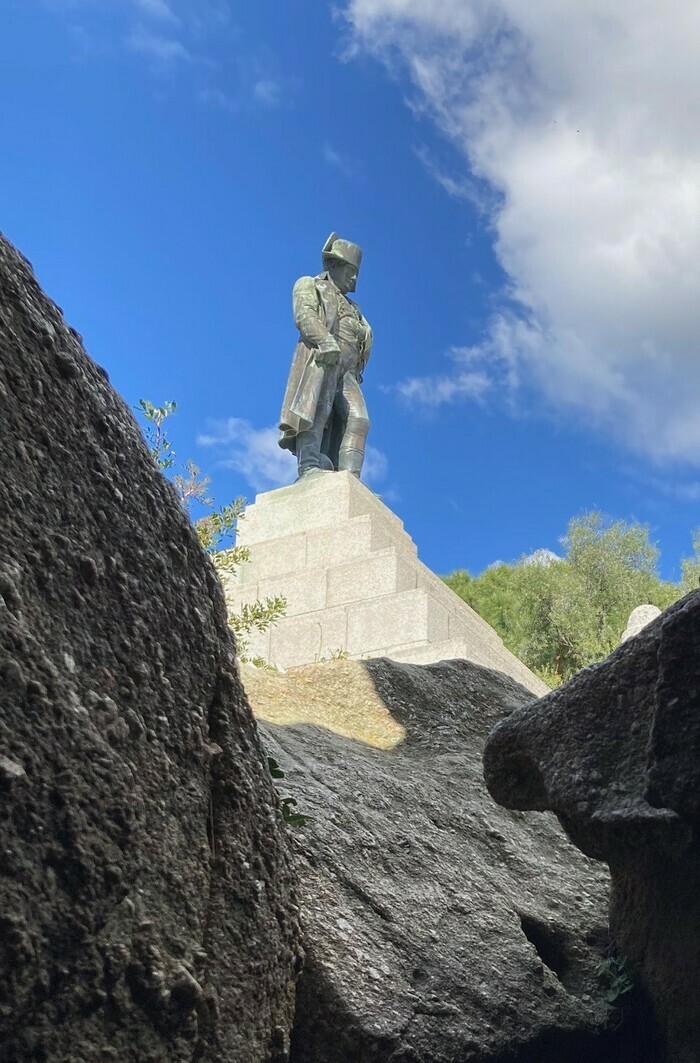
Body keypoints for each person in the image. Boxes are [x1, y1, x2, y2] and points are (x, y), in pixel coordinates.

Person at [278, 233, 372, 479]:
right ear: (334, 266)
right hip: (322, 358)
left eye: (356, 273)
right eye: (350, 270)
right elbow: (304, 315)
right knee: (318, 410)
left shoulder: (355, 309)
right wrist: (326, 341)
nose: (353, 278)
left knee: (359, 419)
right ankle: (308, 466)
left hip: (349, 371)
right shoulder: (309, 284)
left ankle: (349, 479)